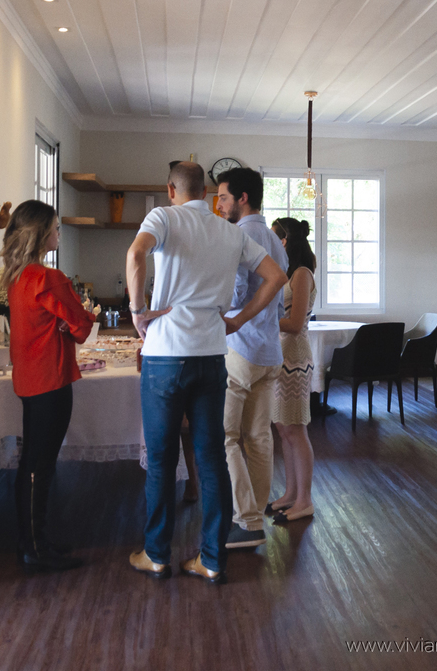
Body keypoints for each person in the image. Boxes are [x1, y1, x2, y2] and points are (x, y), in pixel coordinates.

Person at [127, 161, 287, 585]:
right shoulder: (229, 232)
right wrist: (238, 320)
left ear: (171, 190)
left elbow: (136, 254)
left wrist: (138, 311)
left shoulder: (163, 217)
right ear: (206, 193)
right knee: (212, 456)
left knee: (162, 459)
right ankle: (212, 559)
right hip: (213, 354)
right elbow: (276, 277)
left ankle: (156, 554)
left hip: (166, 355)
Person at [1, 200, 96, 572]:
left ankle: (31, 541)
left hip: (28, 378)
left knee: (31, 462)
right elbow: (82, 327)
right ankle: (36, 549)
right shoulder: (48, 278)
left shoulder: (17, 276)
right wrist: (72, 323)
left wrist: (62, 324)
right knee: (41, 465)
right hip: (51, 378)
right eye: (56, 227)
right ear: (41, 234)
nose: (59, 232)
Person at [214, 167, 289, 550]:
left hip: (241, 349)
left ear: (242, 198)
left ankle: (245, 519)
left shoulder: (239, 235)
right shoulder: (275, 239)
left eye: (223, 197)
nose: (219, 204)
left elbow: (236, 292)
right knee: (259, 437)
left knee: (224, 436)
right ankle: (253, 520)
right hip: (269, 350)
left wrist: (212, 302)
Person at [268, 217, 317, 523]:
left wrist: (260, 319)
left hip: (295, 357)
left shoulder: (302, 274)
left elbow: (296, 324)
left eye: (274, 238)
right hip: (281, 355)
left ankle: (305, 500)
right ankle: (290, 494)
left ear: (285, 241)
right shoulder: (288, 272)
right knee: (283, 429)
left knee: (296, 430)